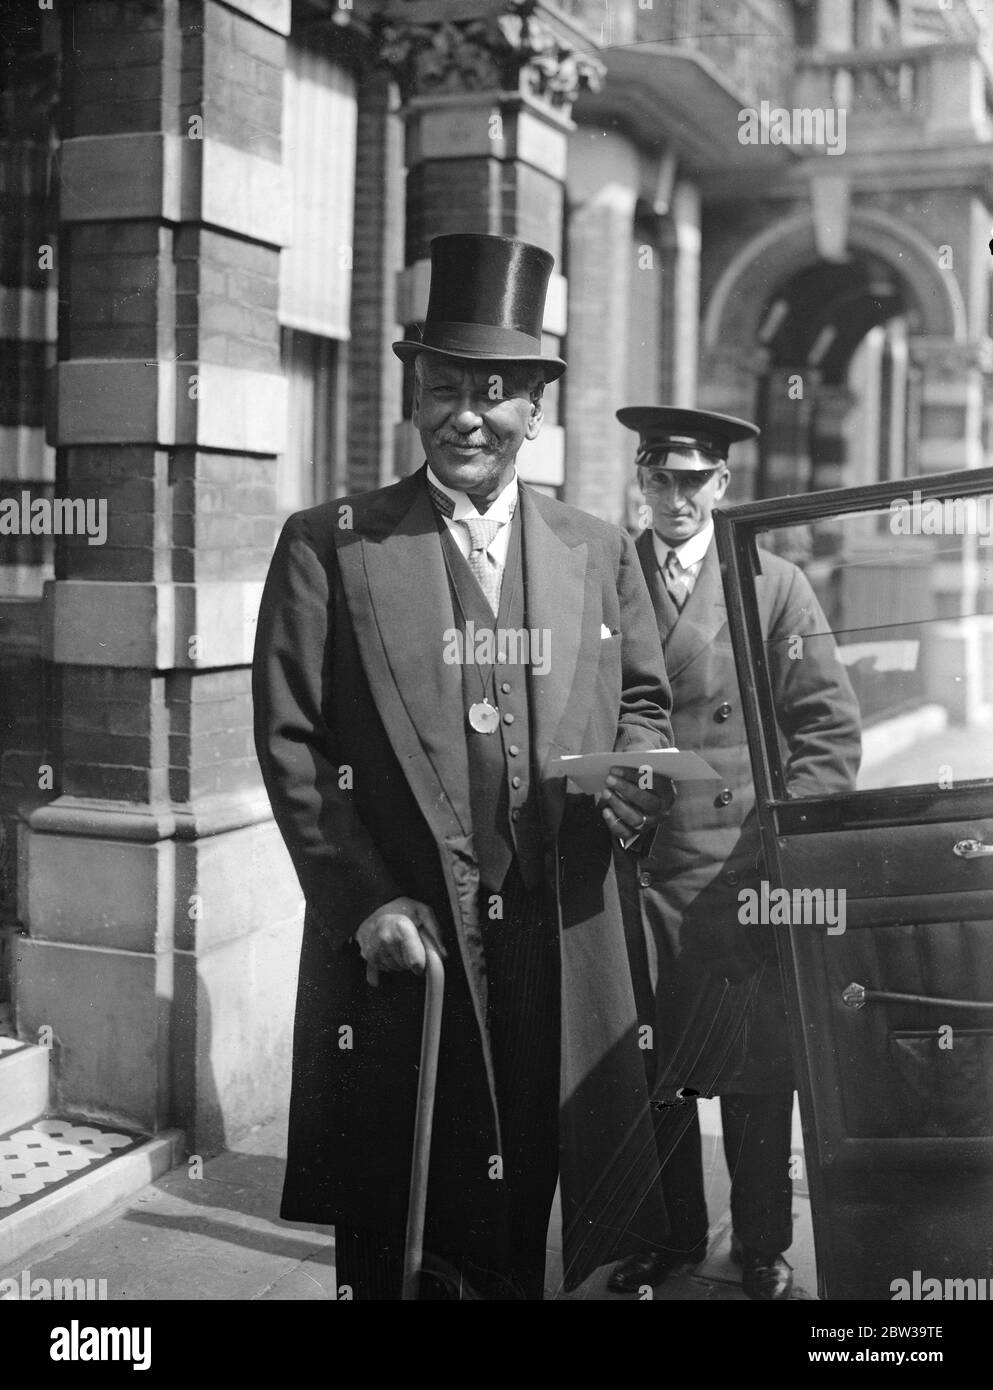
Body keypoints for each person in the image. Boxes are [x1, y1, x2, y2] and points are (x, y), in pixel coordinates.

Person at [252, 234, 676, 1300]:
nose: (466, 417)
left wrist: (634, 780)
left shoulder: (595, 550)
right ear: (413, 395)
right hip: (410, 947)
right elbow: (292, 741)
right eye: (443, 388)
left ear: (537, 408)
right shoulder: (332, 545)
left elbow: (643, 705)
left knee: (537, 1207)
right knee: (400, 1224)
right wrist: (361, 901)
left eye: (495, 394)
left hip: (553, 940)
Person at [608, 407, 861, 1301]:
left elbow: (826, 731)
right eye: (659, 478)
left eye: (693, 481)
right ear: (640, 479)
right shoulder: (607, 573)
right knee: (655, 1070)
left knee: (758, 1073)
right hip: (637, 869)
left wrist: (786, 850)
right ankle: (665, 1237)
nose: (675, 498)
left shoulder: (773, 583)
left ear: (722, 486)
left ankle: (761, 1242)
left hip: (742, 871)